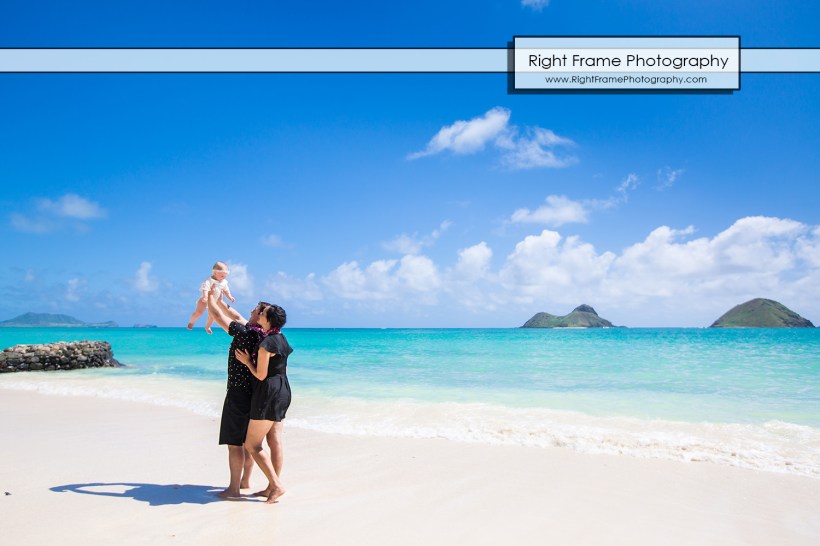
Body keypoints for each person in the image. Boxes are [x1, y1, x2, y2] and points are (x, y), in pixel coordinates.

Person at [206, 292, 270, 499]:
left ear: (260, 315)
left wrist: (207, 297)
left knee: (234, 444)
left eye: (255, 309)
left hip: (237, 394)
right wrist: (218, 298)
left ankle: (233, 490)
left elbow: (219, 317)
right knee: (247, 443)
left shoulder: (244, 333)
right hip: (254, 395)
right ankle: (245, 482)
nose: (250, 310)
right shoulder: (261, 334)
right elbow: (231, 313)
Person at [235, 304, 292, 504]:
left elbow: (260, 374)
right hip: (284, 389)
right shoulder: (281, 338)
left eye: (262, 313)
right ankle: (271, 486)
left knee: (252, 444)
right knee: (274, 439)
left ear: (267, 319)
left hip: (268, 393)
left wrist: (246, 362)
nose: (259, 314)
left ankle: (276, 485)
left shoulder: (266, 343)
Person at [188, 262, 235, 334]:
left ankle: (207, 327)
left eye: (225, 276)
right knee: (198, 313)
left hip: (214, 302)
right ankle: (191, 322)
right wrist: (205, 296)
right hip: (205, 300)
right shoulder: (209, 280)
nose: (223, 278)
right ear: (215, 273)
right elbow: (205, 288)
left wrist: (230, 297)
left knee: (212, 316)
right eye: (222, 276)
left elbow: (226, 290)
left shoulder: (224, 282)